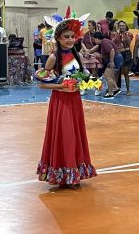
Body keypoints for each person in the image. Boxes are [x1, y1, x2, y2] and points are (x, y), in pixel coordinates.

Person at [36, 18, 97, 189]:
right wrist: (62, 86)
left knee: (75, 135)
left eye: (72, 36)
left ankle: (74, 173)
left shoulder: (77, 54)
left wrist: (90, 82)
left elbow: (84, 76)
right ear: (58, 39)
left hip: (75, 101)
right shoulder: (53, 58)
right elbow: (42, 84)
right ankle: (65, 174)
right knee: (66, 135)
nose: (70, 40)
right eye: (66, 37)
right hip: (61, 102)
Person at [93, 32, 123, 98]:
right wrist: (100, 56)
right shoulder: (104, 42)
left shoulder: (104, 42)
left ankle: (110, 93)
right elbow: (107, 54)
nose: (94, 41)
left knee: (108, 76)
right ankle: (115, 89)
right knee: (110, 76)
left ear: (97, 38)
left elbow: (112, 51)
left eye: (94, 39)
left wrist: (112, 62)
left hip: (115, 59)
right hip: (116, 58)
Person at [80, 20, 103, 96]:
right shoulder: (86, 34)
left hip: (94, 55)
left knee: (94, 73)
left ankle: (97, 88)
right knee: (85, 74)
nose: (88, 26)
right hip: (86, 55)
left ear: (94, 26)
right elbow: (82, 42)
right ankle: (84, 88)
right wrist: (86, 50)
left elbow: (98, 45)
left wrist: (90, 51)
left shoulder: (97, 34)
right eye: (88, 25)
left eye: (90, 25)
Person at [113, 20, 134, 96]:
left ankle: (128, 90)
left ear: (126, 27)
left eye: (123, 26)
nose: (121, 27)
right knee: (116, 72)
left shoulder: (129, 34)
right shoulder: (115, 34)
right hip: (118, 54)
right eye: (120, 26)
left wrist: (125, 35)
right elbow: (113, 42)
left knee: (126, 73)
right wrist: (117, 34)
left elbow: (128, 42)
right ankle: (115, 89)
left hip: (126, 53)